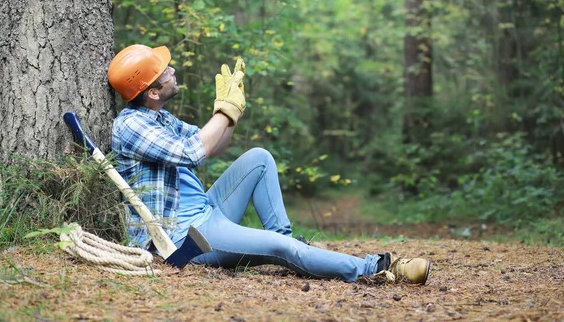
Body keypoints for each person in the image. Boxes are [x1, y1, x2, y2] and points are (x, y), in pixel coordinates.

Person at [107, 43, 431, 284]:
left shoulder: (160, 118)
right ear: (151, 92)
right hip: (184, 239)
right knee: (281, 248)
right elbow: (193, 152)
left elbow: (216, 146)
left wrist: (232, 115)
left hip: (205, 211)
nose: (173, 71)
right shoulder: (131, 125)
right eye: (165, 72)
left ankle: (289, 239)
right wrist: (222, 111)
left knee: (259, 158)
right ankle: (379, 268)